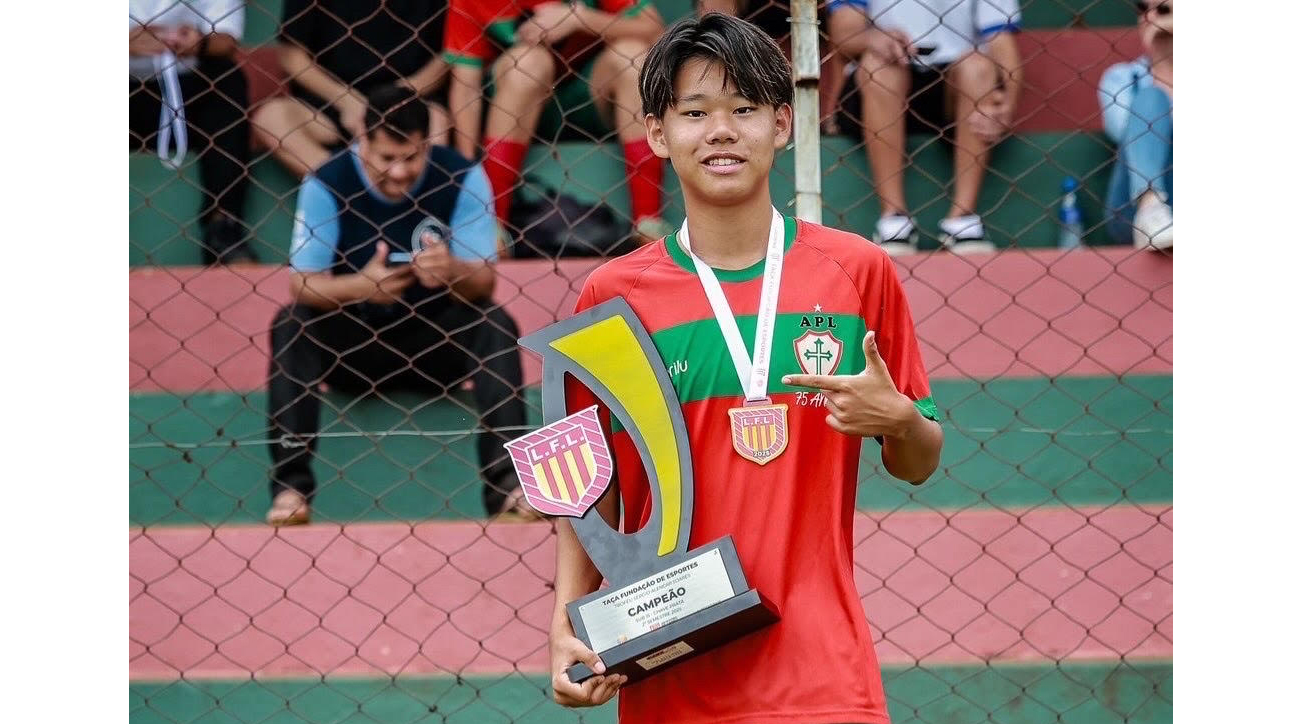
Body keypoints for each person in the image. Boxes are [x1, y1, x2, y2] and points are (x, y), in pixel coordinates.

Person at [548, 13, 944, 721]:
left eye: (744, 109)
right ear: (658, 133)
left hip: (824, 678)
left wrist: (901, 420)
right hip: (671, 675)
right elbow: (585, 486)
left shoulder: (857, 272)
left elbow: (917, 462)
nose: (722, 131)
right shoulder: (612, 297)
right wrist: (566, 624)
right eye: (695, 112)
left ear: (782, 124)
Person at [265, 86, 532, 526]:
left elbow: (485, 281)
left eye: (411, 157)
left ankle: (509, 488)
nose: (400, 171)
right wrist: (361, 287)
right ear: (363, 141)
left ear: (427, 144)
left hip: (434, 344)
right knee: (291, 323)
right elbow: (302, 284)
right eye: (387, 157)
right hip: (354, 345)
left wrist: (451, 270)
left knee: (494, 321)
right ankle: (290, 488)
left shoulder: (460, 176)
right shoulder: (327, 181)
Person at [443, 0, 671, 244]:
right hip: (516, 105)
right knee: (529, 61)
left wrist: (579, 19)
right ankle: (492, 229)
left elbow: (656, 32)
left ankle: (648, 225)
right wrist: (468, 176)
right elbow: (465, 88)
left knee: (631, 53)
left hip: (591, 96)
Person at [826, 0, 1022, 255]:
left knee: (979, 67)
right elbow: (844, 31)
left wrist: (1007, 106)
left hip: (952, 84)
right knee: (880, 66)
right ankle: (893, 218)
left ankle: (962, 218)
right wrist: (874, 39)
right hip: (878, 82)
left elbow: (1001, 43)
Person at [252, 0, 452, 179]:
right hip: (334, 99)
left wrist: (396, 97)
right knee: (272, 118)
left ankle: (417, 198)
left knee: (437, 121)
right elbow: (291, 56)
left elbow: (451, 53)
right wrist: (345, 100)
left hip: (409, 97)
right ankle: (345, 189)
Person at [130, 0, 257, 264]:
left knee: (228, 78)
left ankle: (223, 228)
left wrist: (199, 42)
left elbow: (226, 38)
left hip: (189, 87)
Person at [1098, 0, 1173, 250]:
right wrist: (1160, 63)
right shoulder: (1121, 77)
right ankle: (1151, 208)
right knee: (1150, 98)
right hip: (1132, 208)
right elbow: (1122, 130)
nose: (1150, 17)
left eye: (1163, 9)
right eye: (1142, 8)